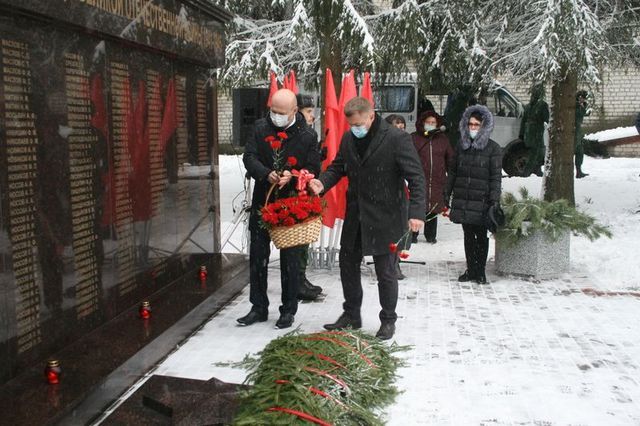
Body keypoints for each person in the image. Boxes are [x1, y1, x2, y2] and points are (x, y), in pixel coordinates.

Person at [308, 97, 426, 340]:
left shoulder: (396, 138)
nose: (356, 129)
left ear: (372, 116)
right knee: (347, 265)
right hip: (356, 214)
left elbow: (416, 178)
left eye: (360, 124)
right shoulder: (349, 138)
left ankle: (388, 320)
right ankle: (352, 314)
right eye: (352, 125)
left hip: (387, 216)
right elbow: (338, 167)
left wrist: (416, 213)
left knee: (385, 271)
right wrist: (322, 181)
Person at [238, 89, 321, 329]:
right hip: (264, 198)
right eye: (273, 111)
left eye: (281, 113)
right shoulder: (260, 127)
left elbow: (313, 166)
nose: (276, 116)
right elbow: (249, 157)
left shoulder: (307, 135)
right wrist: (266, 173)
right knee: (258, 255)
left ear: (294, 111)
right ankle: (258, 306)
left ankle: (288, 309)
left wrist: (292, 176)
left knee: (291, 258)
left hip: (292, 203)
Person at [445, 105, 502, 285]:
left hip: (482, 200)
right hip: (464, 198)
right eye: (470, 124)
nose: (473, 128)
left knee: (481, 236)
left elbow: (495, 177)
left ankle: (480, 271)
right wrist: (447, 192)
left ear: (484, 126)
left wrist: (494, 199)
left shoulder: (493, 148)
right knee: (468, 236)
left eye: (477, 125)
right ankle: (471, 269)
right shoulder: (461, 146)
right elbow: (453, 172)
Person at [295, 93, 323, 301]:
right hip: (295, 191)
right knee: (296, 238)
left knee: (303, 238)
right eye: (308, 111)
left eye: (312, 111)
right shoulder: (297, 134)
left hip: (306, 191)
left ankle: (300, 277)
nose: (312, 116)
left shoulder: (309, 133)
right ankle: (296, 281)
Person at [411, 110, 453, 244]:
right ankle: (412, 234)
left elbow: (450, 159)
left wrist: (450, 175)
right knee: (417, 206)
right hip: (419, 179)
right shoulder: (414, 138)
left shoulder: (443, 139)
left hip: (437, 179)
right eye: (428, 122)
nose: (430, 124)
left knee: (433, 207)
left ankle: (431, 235)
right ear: (422, 123)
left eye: (433, 123)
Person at [519, 83, 549, 177]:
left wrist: (522, 133)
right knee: (535, 154)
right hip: (536, 132)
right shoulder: (542, 105)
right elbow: (546, 118)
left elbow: (523, 121)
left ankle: (537, 170)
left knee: (535, 153)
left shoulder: (527, 106)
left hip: (528, 133)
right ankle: (527, 172)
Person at [575, 90, 592, 178]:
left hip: (578, 131)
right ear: (580, 97)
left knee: (580, 152)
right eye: (583, 98)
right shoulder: (575, 105)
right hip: (574, 131)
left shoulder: (579, 105)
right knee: (575, 151)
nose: (584, 100)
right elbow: (579, 113)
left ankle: (579, 171)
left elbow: (582, 113)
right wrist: (583, 107)